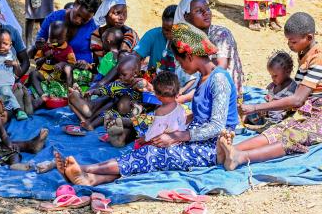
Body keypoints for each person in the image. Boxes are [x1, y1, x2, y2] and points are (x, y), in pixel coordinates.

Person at [55, 24, 238, 186]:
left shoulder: (219, 79)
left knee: (153, 154)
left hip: (211, 147)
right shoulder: (204, 77)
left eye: (180, 61)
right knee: (148, 145)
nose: (180, 66)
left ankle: (87, 169)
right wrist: (171, 131)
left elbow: (217, 126)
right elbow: (199, 117)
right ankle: (92, 178)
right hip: (196, 138)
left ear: (189, 56)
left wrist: (178, 135)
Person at [220, 12, 322, 171]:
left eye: (293, 41)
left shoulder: (318, 58)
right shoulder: (304, 52)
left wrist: (255, 108)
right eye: (288, 40)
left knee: (292, 137)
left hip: (317, 113)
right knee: (278, 129)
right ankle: (230, 150)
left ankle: (240, 156)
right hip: (309, 109)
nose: (290, 45)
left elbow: (298, 100)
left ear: (309, 38)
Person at [174, 0, 244, 98]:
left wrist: (186, 97)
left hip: (224, 92)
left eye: (207, 9)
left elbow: (219, 70)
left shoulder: (221, 34)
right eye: (198, 11)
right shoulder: (189, 38)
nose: (206, 13)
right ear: (186, 17)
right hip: (202, 89)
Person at [134, 4, 198, 100]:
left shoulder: (190, 44)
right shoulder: (154, 35)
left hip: (180, 91)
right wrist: (140, 79)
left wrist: (182, 91)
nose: (167, 33)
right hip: (156, 85)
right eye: (165, 29)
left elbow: (193, 77)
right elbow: (136, 57)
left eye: (171, 30)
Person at [72, 55, 142, 130]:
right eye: (119, 74)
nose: (121, 77)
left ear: (135, 73)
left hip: (130, 116)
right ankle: (90, 124)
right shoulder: (118, 84)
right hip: (116, 112)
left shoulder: (139, 85)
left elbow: (145, 96)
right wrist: (93, 91)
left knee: (111, 111)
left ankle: (93, 124)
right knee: (104, 113)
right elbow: (105, 90)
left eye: (124, 75)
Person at [36, 0, 101, 64]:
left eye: (84, 20)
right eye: (78, 15)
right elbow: (40, 41)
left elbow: (97, 58)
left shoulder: (92, 28)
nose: (78, 21)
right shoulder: (54, 18)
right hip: (54, 65)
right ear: (75, 4)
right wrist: (40, 44)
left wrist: (87, 65)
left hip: (78, 70)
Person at [90, 0, 139, 85]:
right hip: (103, 73)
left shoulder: (129, 34)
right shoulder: (96, 34)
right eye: (117, 13)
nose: (122, 17)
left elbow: (122, 62)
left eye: (125, 13)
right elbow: (97, 61)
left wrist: (100, 84)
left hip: (126, 77)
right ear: (106, 12)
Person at [133, 71, 187, 148]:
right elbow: (182, 125)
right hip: (178, 140)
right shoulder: (180, 107)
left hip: (165, 143)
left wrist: (145, 139)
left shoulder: (161, 111)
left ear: (157, 95)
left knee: (138, 145)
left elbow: (155, 131)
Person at [245, 50, 297, 131]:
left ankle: (271, 127)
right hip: (267, 115)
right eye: (271, 75)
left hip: (281, 118)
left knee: (274, 112)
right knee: (251, 108)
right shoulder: (273, 85)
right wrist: (265, 104)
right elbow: (267, 97)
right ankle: (249, 121)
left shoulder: (292, 87)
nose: (273, 78)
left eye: (275, 75)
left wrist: (272, 103)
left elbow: (289, 104)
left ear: (288, 71)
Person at [29, 21, 76, 98]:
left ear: (65, 37)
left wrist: (62, 64)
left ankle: (69, 93)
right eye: (52, 38)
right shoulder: (44, 47)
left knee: (68, 69)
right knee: (33, 74)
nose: (54, 41)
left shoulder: (68, 50)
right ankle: (42, 95)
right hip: (45, 74)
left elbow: (73, 65)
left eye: (58, 38)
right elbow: (37, 62)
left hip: (60, 76)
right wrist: (45, 58)